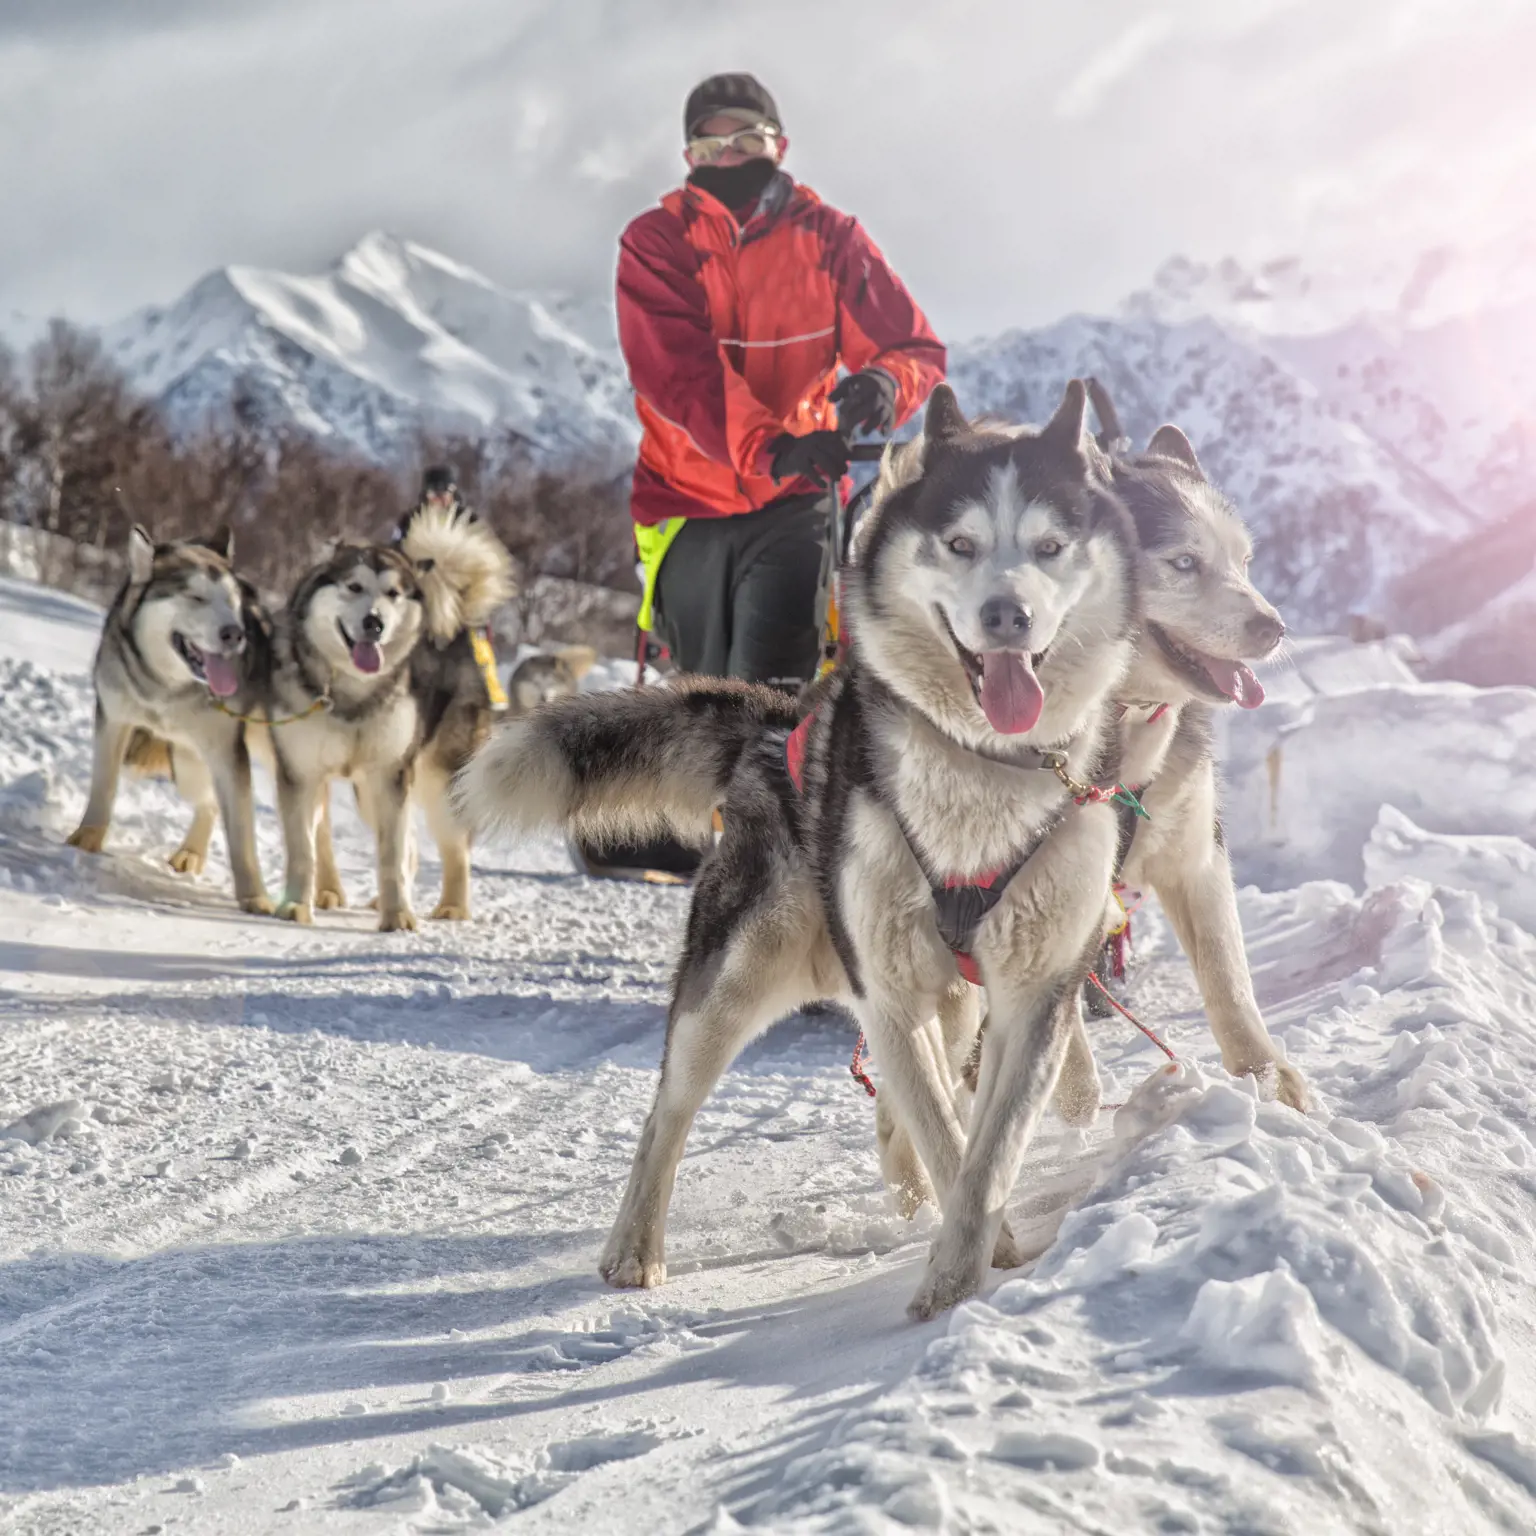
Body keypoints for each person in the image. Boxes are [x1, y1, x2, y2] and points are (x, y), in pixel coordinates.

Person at [618, 71, 946, 692]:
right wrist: (768, 446)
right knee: (701, 697)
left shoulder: (830, 240)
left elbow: (911, 347)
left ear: (779, 145)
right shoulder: (656, 242)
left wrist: (886, 382)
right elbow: (678, 372)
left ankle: (774, 751)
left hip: (796, 495)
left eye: (745, 140)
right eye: (710, 147)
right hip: (686, 504)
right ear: (689, 158)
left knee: (768, 694)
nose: (729, 158)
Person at [397, 465, 509, 711]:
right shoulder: (411, 521)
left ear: (453, 493)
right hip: (422, 595)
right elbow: (398, 554)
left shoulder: (468, 520)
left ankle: (491, 695)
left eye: (444, 492)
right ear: (425, 494)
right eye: (433, 492)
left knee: (476, 642)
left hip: (462, 596)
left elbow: (484, 558)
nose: (439, 498)